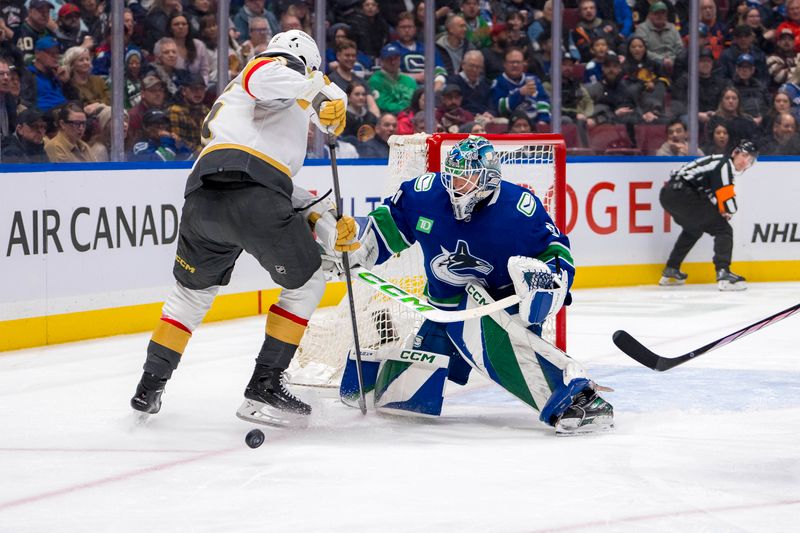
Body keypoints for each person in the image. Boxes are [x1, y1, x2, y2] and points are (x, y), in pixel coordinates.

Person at [129, 30, 352, 428]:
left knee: (187, 299)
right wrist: (318, 91)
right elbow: (266, 78)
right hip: (254, 199)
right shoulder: (274, 68)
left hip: (203, 203)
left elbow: (273, 178)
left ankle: (149, 386)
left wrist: (322, 214)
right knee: (309, 281)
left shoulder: (244, 106)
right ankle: (264, 384)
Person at [331, 136, 613, 435]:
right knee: (405, 400)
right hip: (444, 310)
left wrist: (548, 279)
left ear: (489, 178)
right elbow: (389, 224)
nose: (456, 184)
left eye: (467, 177)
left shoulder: (518, 210)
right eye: (453, 174)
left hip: (501, 307)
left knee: (499, 350)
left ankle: (577, 399)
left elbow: (557, 253)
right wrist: (358, 247)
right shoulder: (424, 194)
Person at [659, 140, 758, 291]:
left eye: (750, 159)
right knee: (723, 230)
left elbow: (711, 195)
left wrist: (722, 209)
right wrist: (727, 211)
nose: (746, 162)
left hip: (669, 194)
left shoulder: (718, 163)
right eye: (744, 156)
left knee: (693, 229)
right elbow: (727, 199)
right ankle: (723, 273)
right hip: (684, 195)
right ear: (734, 153)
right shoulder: (724, 165)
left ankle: (671, 269)